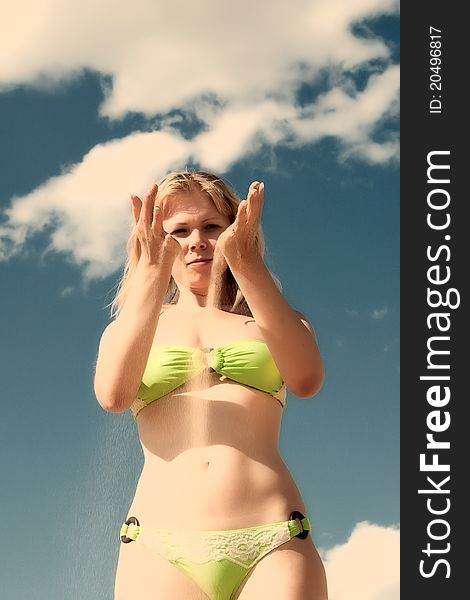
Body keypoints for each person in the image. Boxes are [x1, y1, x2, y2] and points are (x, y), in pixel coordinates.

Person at [94, 171, 328, 599]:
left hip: (272, 538)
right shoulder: (130, 329)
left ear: (236, 230)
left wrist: (247, 263)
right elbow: (114, 395)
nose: (196, 240)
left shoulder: (268, 321)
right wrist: (150, 273)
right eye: (178, 231)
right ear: (154, 239)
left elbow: (307, 379)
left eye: (211, 227)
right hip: (158, 544)